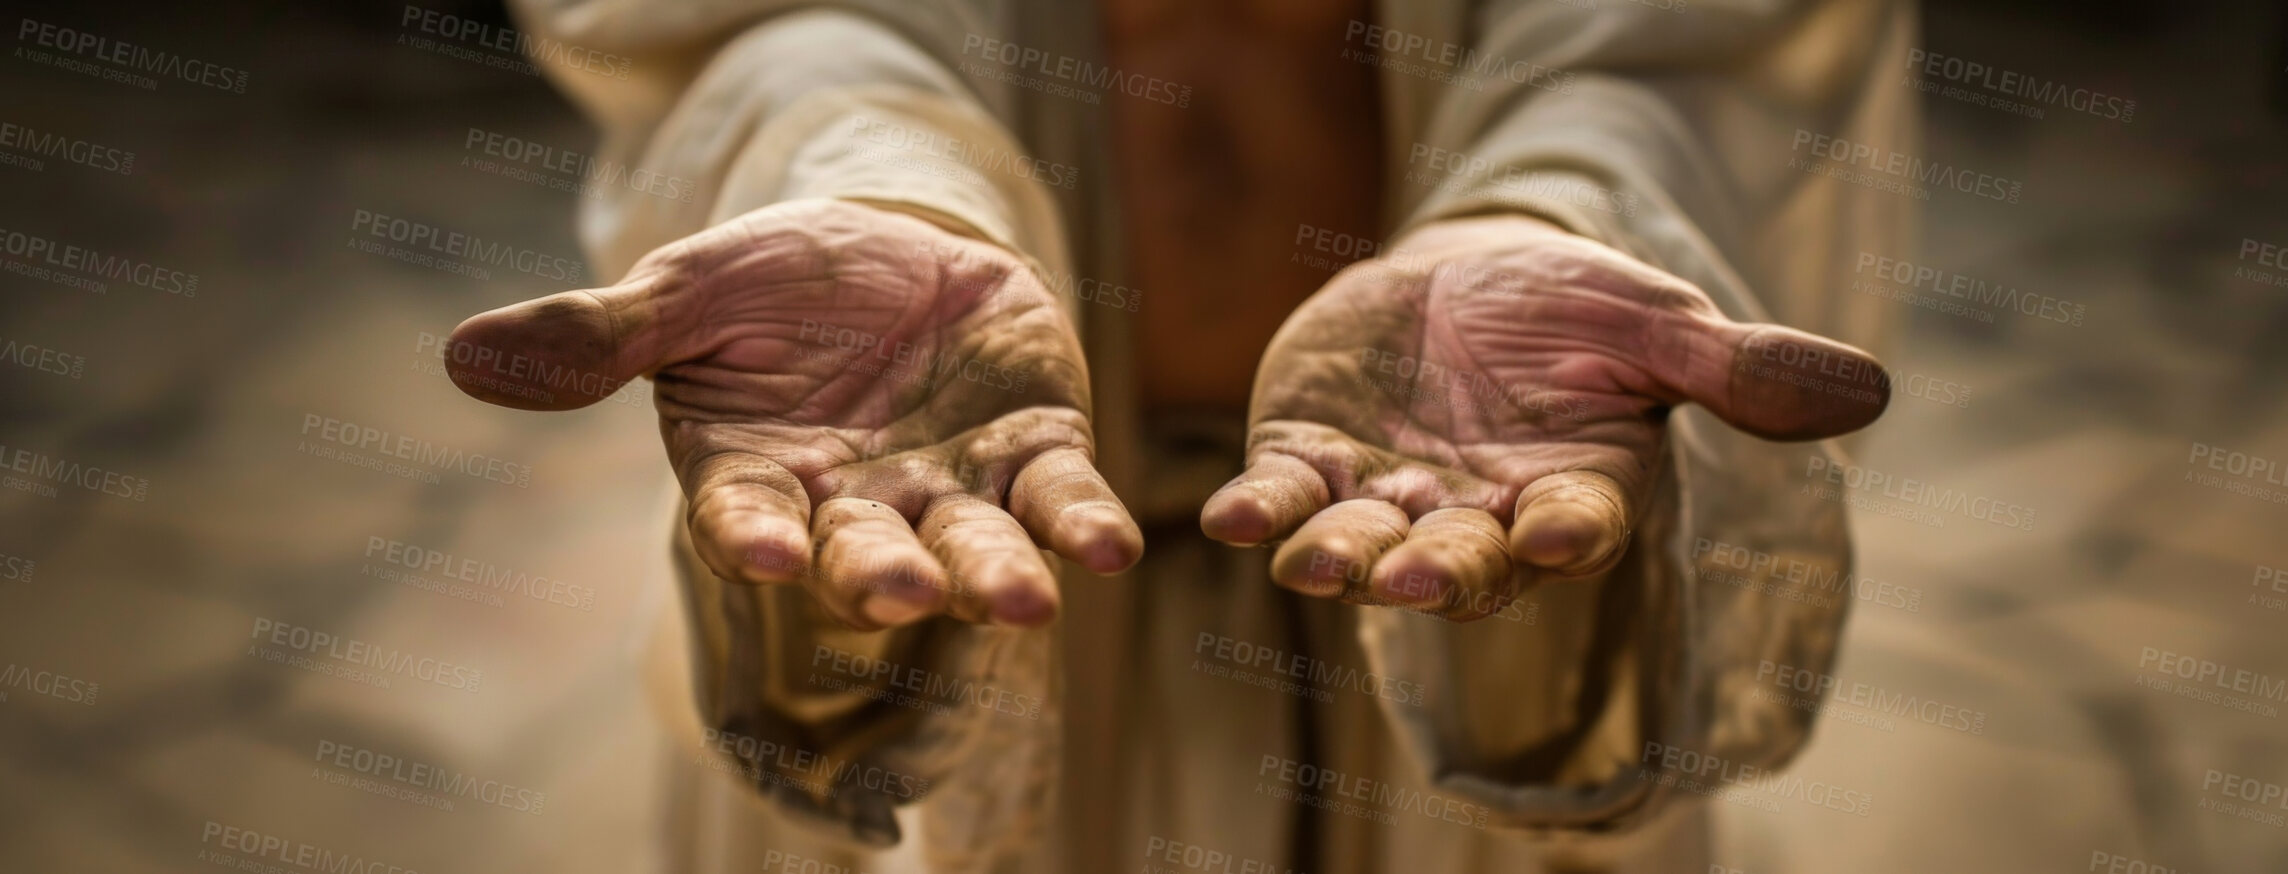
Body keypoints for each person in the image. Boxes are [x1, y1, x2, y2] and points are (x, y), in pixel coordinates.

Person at [445, 0, 1915, 870]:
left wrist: (1552, 215)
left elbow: (1703, 38)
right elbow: (727, 19)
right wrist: (875, 184)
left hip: (1461, 545)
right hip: (927, 527)